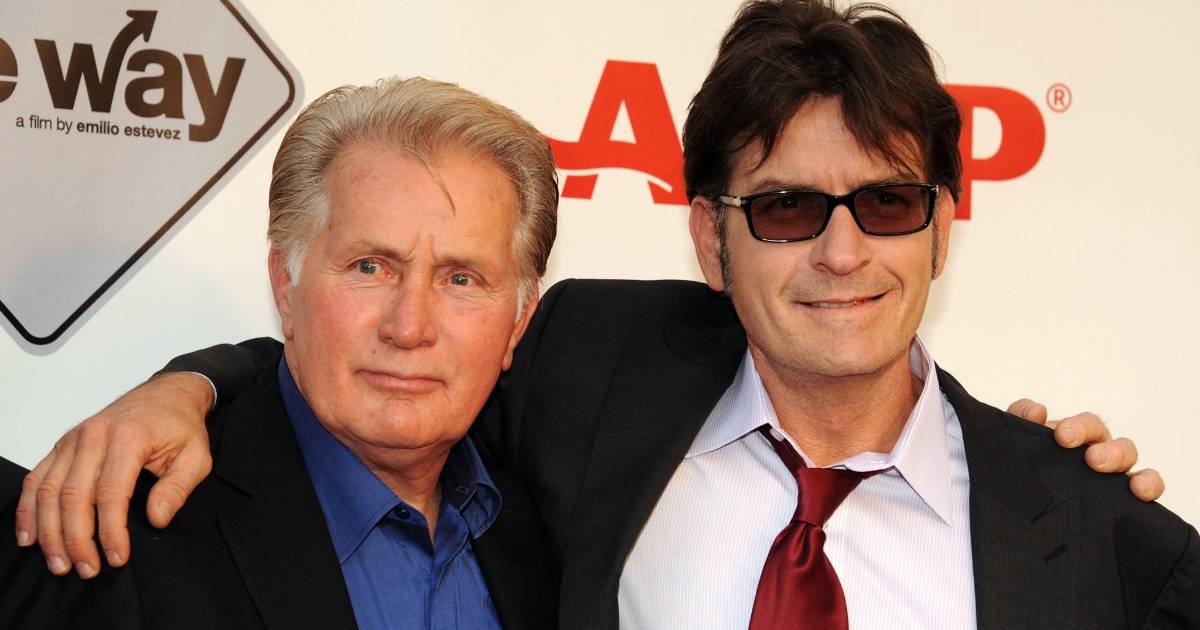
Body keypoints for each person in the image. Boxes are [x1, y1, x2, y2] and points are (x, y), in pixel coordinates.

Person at [12, 1, 1195, 628]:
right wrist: (191, 384)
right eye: (786, 208)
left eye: (886, 203)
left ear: (942, 225)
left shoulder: (1087, 524)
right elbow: (386, 379)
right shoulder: (594, 376)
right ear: (710, 240)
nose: (842, 253)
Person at [0, 76, 560, 629]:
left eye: (461, 279)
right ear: (285, 284)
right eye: (370, 267)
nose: (409, 327)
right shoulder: (117, 538)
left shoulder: (558, 526)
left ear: (518, 321)